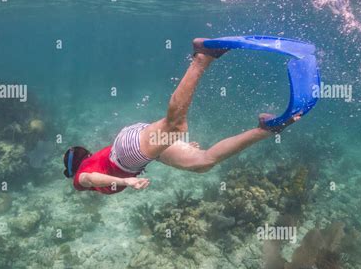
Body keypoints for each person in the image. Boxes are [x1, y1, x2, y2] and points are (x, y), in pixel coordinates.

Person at [63, 38, 300, 194]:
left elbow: (90, 178)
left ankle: (202, 57)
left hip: (128, 153)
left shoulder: (80, 178)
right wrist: (174, 147)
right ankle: (265, 129)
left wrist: (127, 182)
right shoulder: (92, 160)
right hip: (136, 150)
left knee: (174, 126)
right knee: (202, 162)